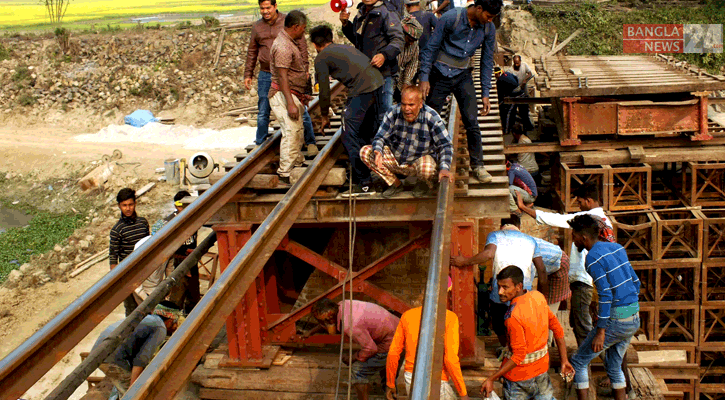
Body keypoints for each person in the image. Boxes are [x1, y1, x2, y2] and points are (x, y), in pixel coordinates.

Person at [516, 181, 611, 347]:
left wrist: (523, 208)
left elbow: (555, 219)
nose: (579, 206)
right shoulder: (605, 221)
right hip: (593, 282)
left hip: (584, 282)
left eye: (580, 202)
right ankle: (589, 361)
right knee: (579, 323)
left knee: (582, 328)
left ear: (588, 201)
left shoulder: (588, 220)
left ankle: (585, 363)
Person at [419, 0, 502, 184]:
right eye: (488, 16)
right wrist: (424, 77)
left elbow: (487, 61)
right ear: (479, 9)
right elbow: (431, 48)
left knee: (472, 120)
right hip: (440, 73)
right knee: (430, 121)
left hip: (463, 76)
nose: (489, 21)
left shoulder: (488, 29)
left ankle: (478, 165)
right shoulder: (451, 18)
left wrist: (485, 93)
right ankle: (428, 165)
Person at [568, 214, 641, 400]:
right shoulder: (617, 248)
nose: (572, 239)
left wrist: (601, 331)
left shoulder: (592, 258)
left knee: (578, 361)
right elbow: (636, 281)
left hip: (616, 320)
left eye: (574, 235)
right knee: (614, 366)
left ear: (583, 237)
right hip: (633, 317)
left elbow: (606, 294)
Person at [451, 215, 547, 347]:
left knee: (499, 325)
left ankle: (506, 349)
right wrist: (541, 297)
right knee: (521, 325)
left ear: (502, 226)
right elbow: (541, 270)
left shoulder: (495, 235)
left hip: (501, 292)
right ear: (519, 227)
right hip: (523, 292)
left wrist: (465, 262)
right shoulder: (531, 240)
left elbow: (489, 254)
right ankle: (519, 351)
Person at [480, 266, 574, 400]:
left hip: (518, 380)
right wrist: (564, 360)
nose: (500, 292)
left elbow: (519, 355)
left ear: (518, 287)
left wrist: (492, 378)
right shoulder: (538, 297)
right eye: (499, 286)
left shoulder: (513, 316)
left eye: (505, 287)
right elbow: (557, 329)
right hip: (541, 372)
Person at [310, 25, 384, 196]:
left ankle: (364, 182)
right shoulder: (343, 47)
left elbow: (324, 91)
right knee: (365, 132)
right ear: (331, 39)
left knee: (348, 134)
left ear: (315, 45)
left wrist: (323, 116)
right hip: (377, 84)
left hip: (362, 89)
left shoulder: (321, 57)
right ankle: (373, 171)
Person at [244, 0, 317, 155]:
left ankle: (310, 142)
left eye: (268, 7)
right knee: (263, 110)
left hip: (289, 73)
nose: (265, 11)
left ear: (275, 6)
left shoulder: (289, 22)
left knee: (299, 107)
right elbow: (252, 51)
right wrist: (248, 74)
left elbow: (302, 46)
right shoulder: (257, 27)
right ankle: (260, 144)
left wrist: (305, 68)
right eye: (262, 8)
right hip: (266, 74)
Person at [360, 85, 453, 198]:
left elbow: (445, 145)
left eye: (411, 105)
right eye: (403, 104)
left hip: (417, 163)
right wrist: (378, 150)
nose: (406, 109)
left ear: (420, 104)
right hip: (397, 160)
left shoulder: (431, 117)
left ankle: (422, 184)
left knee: (427, 169)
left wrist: (444, 168)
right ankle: (396, 184)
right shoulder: (393, 112)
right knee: (365, 152)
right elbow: (380, 136)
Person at [385, 290, 469, 400]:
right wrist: (463, 393)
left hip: (411, 377)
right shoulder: (449, 318)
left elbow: (393, 352)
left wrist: (390, 384)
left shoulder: (407, 316)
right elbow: (450, 359)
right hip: (437, 379)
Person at [311, 299, 399, 400]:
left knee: (358, 371)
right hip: (398, 329)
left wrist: (352, 357)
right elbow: (326, 322)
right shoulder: (342, 304)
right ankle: (392, 395)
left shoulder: (350, 325)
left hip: (392, 343)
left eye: (321, 322)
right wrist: (311, 332)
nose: (321, 324)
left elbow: (371, 348)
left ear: (330, 319)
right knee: (388, 372)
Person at [91, 302, 182, 396]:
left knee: (123, 387)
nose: (176, 327)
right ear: (171, 320)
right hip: (113, 357)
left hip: (99, 353)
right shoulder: (160, 327)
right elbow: (141, 360)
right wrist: (133, 389)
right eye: (177, 323)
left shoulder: (147, 319)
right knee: (131, 394)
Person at [340, 0, 404, 113]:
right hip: (365, 73)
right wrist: (346, 24)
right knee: (367, 114)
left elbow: (398, 40)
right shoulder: (361, 12)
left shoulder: (387, 12)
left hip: (383, 74)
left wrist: (384, 55)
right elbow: (357, 40)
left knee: (383, 113)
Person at [268, 10, 310, 182]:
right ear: (296, 27)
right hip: (283, 95)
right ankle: (285, 172)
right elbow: (282, 76)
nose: (304, 32)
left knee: (298, 130)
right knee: (291, 132)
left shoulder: (288, 42)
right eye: (303, 29)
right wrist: (290, 103)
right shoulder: (283, 46)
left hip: (291, 94)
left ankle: (297, 162)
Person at [153, 191, 200, 314]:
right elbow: (166, 248)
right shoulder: (170, 222)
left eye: (186, 205)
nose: (183, 208)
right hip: (177, 264)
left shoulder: (194, 218)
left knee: (194, 299)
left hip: (192, 263)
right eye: (180, 205)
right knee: (176, 301)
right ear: (175, 205)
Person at [110, 188, 150, 317]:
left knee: (149, 305)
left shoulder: (143, 223)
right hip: (127, 275)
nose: (128, 209)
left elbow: (149, 245)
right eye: (124, 205)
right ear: (119, 206)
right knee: (132, 311)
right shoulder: (117, 230)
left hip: (145, 272)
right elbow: (113, 258)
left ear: (135, 204)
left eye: (130, 205)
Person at [394, 16, 423, 103]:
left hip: (402, 78)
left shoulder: (414, 43)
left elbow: (413, 63)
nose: (411, 43)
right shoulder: (394, 39)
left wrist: (406, 83)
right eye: (409, 40)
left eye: (413, 41)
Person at [505, 55, 535, 132]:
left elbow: (530, 74)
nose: (517, 65)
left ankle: (528, 127)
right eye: (515, 63)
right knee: (512, 113)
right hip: (514, 94)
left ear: (520, 62)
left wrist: (525, 80)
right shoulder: (510, 71)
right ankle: (510, 128)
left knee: (524, 112)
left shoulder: (524, 65)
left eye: (518, 63)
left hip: (523, 93)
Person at [494, 66, 523, 135]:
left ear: (497, 74)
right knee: (514, 112)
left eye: (495, 75)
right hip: (520, 92)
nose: (495, 77)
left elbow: (500, 94)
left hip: (515, 96)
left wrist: (499, 103)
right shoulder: (507, 73)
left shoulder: (500, 80)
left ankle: (506, 131)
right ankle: (513, 127)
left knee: (508, 113)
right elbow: (516, 78)